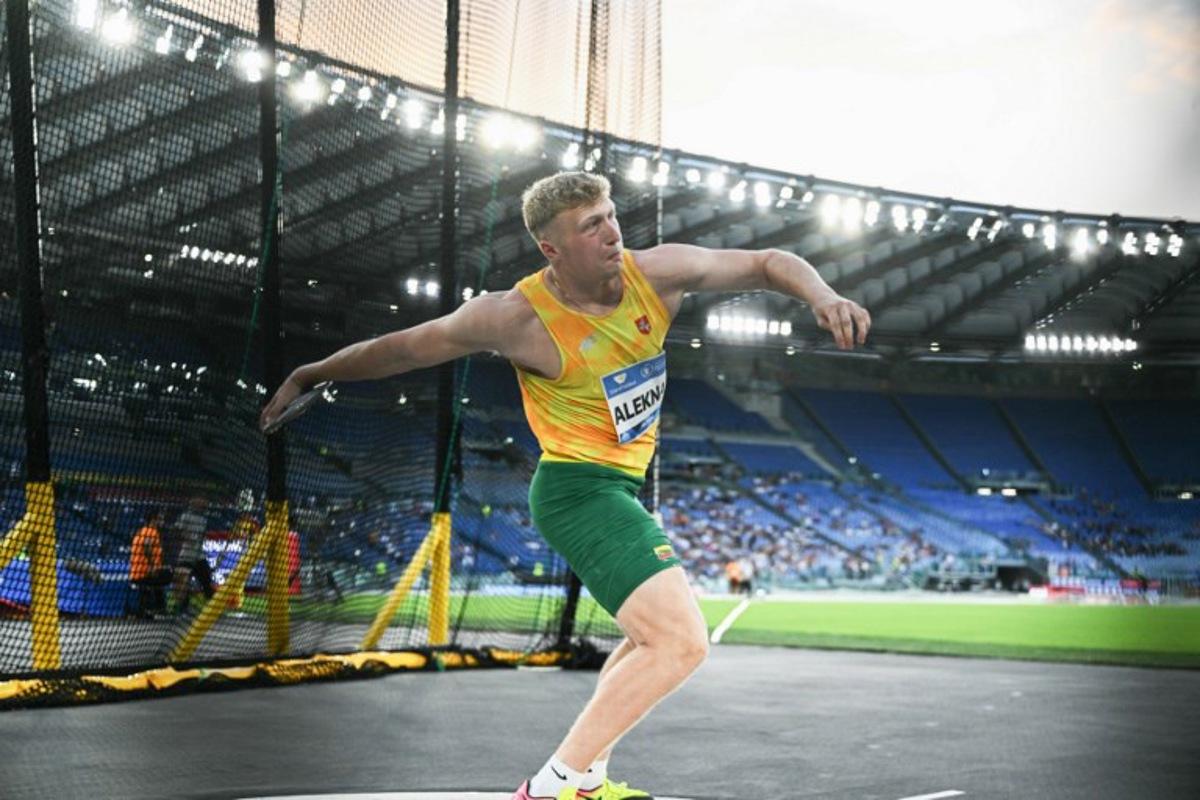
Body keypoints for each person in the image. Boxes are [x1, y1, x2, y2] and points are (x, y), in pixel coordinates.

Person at [259, 171, 870, 800]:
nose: (612, 233)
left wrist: (820, 295)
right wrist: (311, 372)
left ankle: (587, 782)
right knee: (682, 643)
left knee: (646, 639)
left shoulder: (654, 274)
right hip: (577, 490)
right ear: (552, 249)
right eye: (591, 225)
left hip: (618, 489)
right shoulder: (515, 317)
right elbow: (404, 348)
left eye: (610, 215)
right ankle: (550, 787)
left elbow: (770, 261)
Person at [170, 495, 214, 614]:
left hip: (199, 555)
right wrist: (186, 536)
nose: (205, 507)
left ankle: (212, 607)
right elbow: (176, 530)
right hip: (187, 555)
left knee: (207, 580)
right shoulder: (186, 516)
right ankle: (183, 607)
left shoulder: (203, 519)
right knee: (182, 582)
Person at [129, 509, 171, 617]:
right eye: (160, 519)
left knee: (160, 579)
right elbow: (146, 547)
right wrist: (152, 567)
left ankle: (151, 609)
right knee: (168, 574)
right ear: (153, 520)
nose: (162, 522)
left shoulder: (142, 531)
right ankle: (159, 609)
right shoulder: (150, 531)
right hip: (145, 572)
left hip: (138, 572)